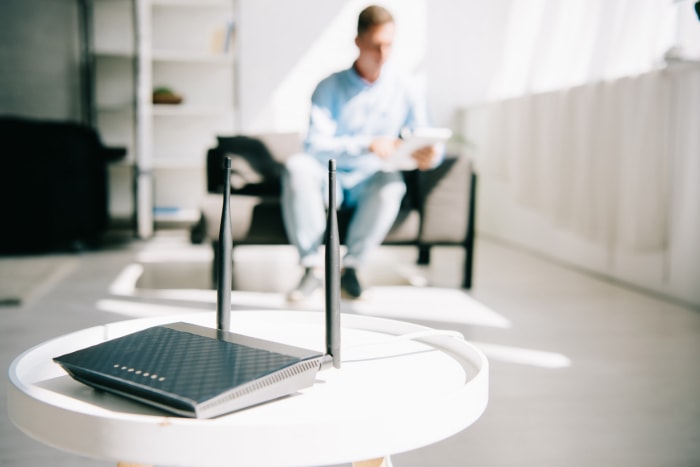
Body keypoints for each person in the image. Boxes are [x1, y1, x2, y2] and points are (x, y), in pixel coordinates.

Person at [282, 4, 443, 301]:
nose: (382, 55)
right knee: (297, 166)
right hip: (328, 177)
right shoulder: (328, 87)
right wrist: (367, 143)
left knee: (392, 182)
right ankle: (313, 268)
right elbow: (315, 146)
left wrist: (432, 155)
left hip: (371, 179)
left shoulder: (406, 87)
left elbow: (428, 135)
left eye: (389, 46)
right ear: (358, 42)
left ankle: (352, 268)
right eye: (375, 46)